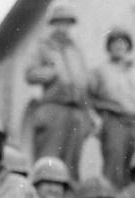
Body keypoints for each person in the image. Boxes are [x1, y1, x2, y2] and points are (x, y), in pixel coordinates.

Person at [89, 27, 135, 189]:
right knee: (114, 163)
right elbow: (87, 99)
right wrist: (96, 120)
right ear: (109, 47)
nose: (119, 47)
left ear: (128, 47)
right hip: (113, 121)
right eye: (115, 43)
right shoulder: (100, 71)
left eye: (123, 43)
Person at [25, 1, 91, 180]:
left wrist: (89, 114)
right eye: (60, 22)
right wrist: (51, 73)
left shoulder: (75, 50)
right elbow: (30, 74)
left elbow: (83, 82)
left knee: (72, 164)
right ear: (53, 23)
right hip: (53, 109)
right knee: (49, 161)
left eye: (68, 23)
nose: (64, 27)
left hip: (75, 110)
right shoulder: (43, 45)